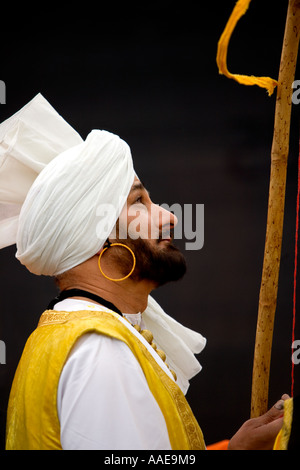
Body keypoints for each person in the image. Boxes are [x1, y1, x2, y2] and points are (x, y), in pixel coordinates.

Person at [0, 94, 287, 450]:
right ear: (95, 236)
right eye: (139, 202)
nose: (170, 218)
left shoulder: (78, 335)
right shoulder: (100, 351)